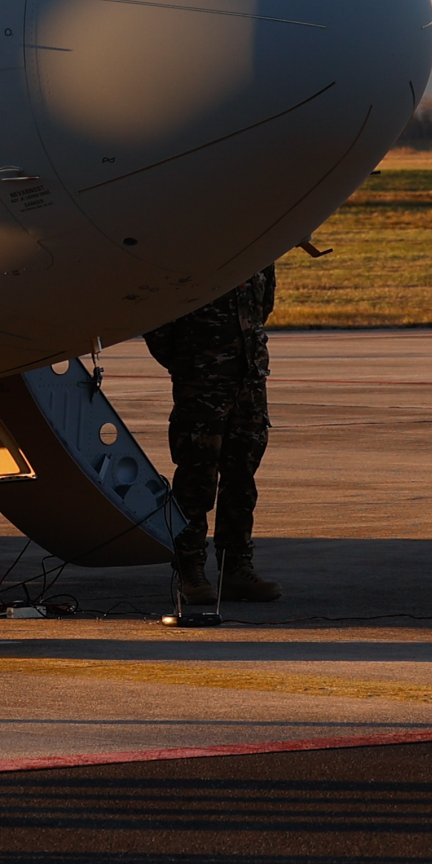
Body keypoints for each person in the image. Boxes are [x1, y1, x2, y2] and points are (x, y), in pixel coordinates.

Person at [143, 262, 278, 626]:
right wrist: (188, 364)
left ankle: (236, 570)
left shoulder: (258, 249)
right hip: (202, 384)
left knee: (242, 479)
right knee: (196, 478)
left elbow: (263, 305)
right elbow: (157, 320)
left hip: (249, 380)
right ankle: (191, 572)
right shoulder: (196, 248)